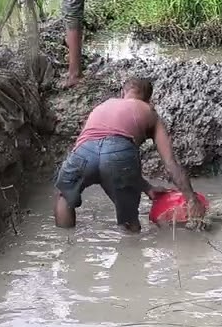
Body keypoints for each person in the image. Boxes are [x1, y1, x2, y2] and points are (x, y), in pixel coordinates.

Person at [54, 77, 205, 232]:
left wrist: (147, 187)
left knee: (65, 195)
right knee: (128, 217)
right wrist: (192, 199)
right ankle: (131, 248)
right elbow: (170, 163)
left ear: (123, 93)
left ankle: (66, 244)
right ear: (148, 99)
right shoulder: (148, 111)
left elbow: (99, 154)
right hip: (119, 155)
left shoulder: (103, 106)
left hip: (84, 152)